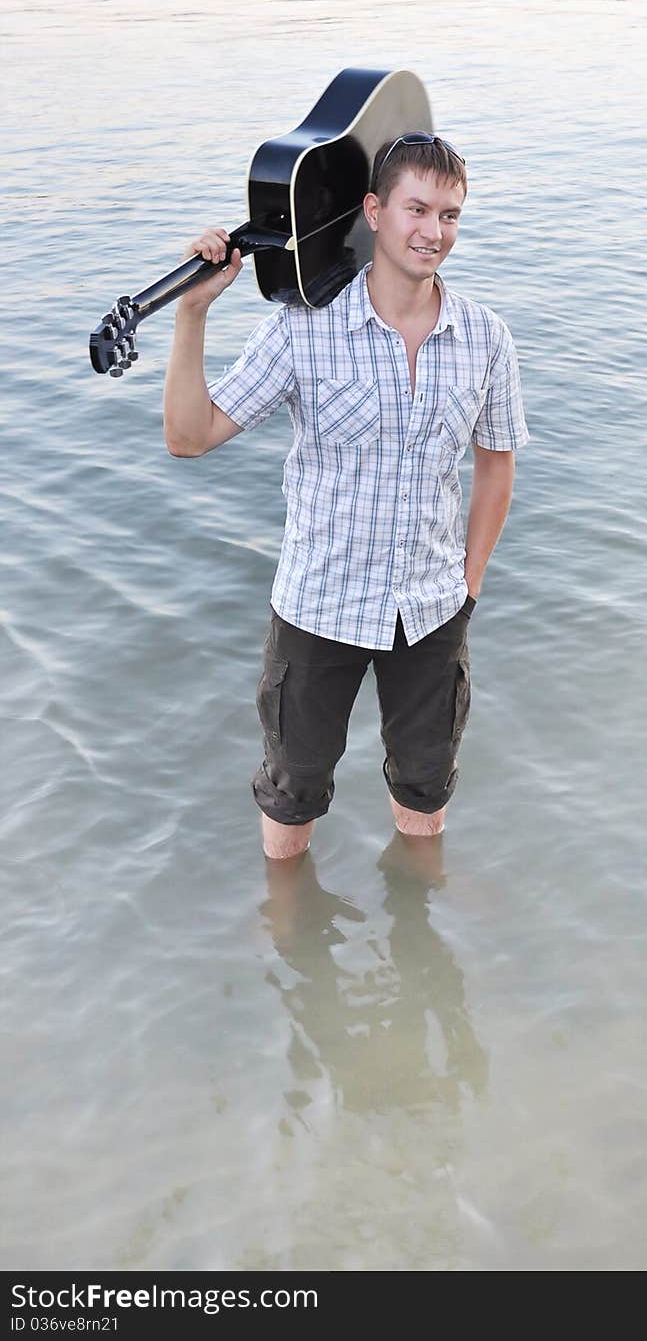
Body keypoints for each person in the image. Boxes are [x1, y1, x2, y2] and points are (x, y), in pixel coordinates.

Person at [163, 133, 529, 860]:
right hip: (317, 605)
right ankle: (291, 940)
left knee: (425, 792)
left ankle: (421, 937)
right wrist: (192, 313)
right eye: (417, 209)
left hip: (430, 609)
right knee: (292, 794)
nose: (434, 232)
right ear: (374, 210)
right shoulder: (303, 328)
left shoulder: (485, 338)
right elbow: (190, 436)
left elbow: (496, 462)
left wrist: (469, 583)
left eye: (450, 215)